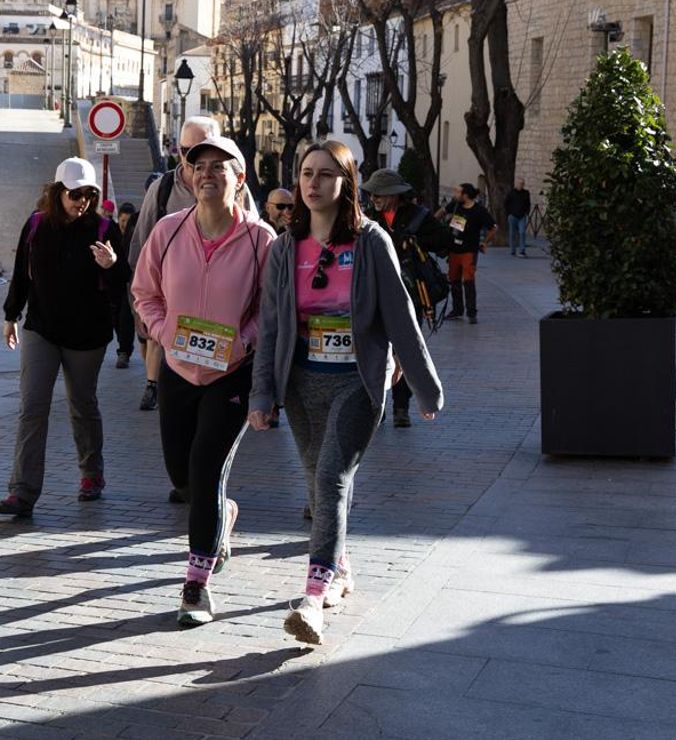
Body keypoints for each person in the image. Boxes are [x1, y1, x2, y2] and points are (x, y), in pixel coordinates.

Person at [248, 140, 443, 645]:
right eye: (307, 174)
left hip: (357, 381)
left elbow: (400, 317)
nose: (314, 184)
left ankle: (311, 598)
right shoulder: (283, 248)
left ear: (347, 183)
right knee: (318, 483)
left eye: (327, 175)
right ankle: (340, 565)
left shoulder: (372, 241)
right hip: (301, 383)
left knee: (332, 475)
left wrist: (425, 388)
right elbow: (270, 327)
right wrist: (262, 395)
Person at [132, 134, 275, 627]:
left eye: (221, 166)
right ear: (190, 178)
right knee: (183, 476)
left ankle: (196, 585)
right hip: (177, 368)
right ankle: (222, 514)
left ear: (240, 178)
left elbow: (270, 310)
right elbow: (143, 292)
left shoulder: (261, 241)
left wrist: (243, 341)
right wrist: (163, 333)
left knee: (206, 466)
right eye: (200, 166)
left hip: (231, 374)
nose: (208, 174)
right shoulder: (169, 231)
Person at [0, 157, 129, 517]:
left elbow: (123, 288)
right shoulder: (37, 225)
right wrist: (11, 315)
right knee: (32, 407)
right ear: (57, 192)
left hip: (87, 335)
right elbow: (22, 274)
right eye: (74, 194)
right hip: (42, 328)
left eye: (88, 194)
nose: (81, 201)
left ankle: (91, 475)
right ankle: (22, 492)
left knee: (82, 405)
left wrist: (112, 266)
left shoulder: (104, 230)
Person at [128, 116, 259, 417]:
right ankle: (152, 384)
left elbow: (270, 298)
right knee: (179, 463)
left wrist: (245, 339)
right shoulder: (163, 200)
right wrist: (158, 327)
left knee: (206, 463)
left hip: (230, 364)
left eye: (215, 163)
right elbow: (141, 262)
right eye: (189, 154)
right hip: (177, 356)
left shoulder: (259, 235)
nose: (197, 166)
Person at [361, 168, 451, 428]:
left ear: (396, 196)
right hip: (374, 291)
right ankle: (378, 405)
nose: (375, 197)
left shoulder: (418, 217)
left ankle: (402, 408)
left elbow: (444, 239)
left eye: (380, 193)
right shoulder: (368, 217)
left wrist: (415, 242)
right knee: (376, 349)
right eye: (373, 193)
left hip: (410, 293)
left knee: (405, 350)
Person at [443, 182, 496, 324]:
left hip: (469, 251)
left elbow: (493, 228)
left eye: (458, 192)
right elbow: (442, 212)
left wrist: (485, 242)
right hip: (453, 249)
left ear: (465, 195)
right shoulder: (455, 205)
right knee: (454, 280)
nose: (455, 194)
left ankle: (471, 312)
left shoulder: (479, 211)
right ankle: (457, 310)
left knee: (468, 281)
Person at [112, 202, 139, 368]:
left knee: (125, 316)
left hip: (130, 281)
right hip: (114, 282)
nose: (124, 224)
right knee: (115, 317)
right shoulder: (112, 232)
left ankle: (124, 351)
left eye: (128, 221)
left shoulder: (136, 235)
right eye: (122, 220)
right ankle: (123, 345)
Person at [504, 178, 532, 257]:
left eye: (522, 184)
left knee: (522, 232)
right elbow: (506, 203)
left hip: (522, 216)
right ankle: (513, 250)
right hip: (512, 216)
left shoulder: (526, 193)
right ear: (516, 184)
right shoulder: (511, 193)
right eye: (519, 183)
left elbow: (528, 203)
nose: (521, 185)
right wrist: (509, 213)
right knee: (512, 234)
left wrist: (527, 212)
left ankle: (522, 250)